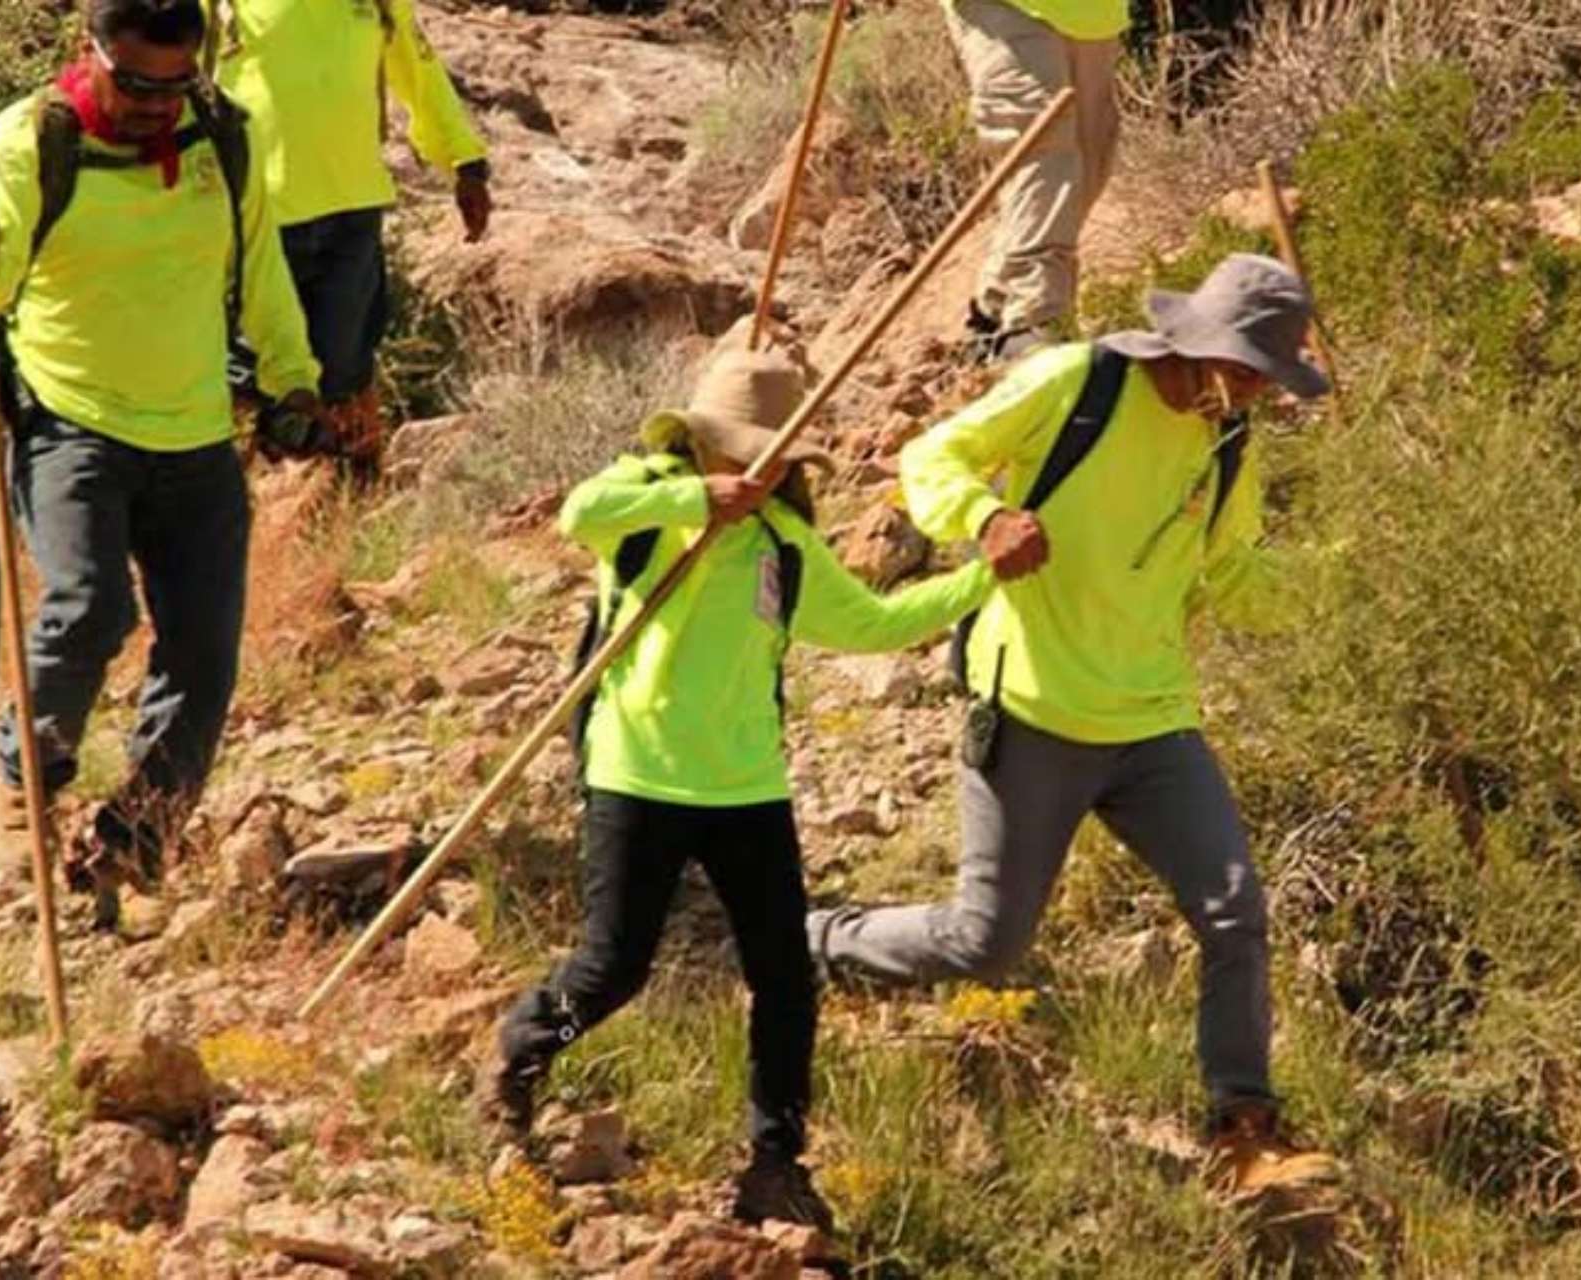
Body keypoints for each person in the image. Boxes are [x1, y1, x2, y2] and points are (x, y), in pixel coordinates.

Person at [808, 254, 1342, 1192]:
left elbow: (1232, 574)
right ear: (1207, 348)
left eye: (1269, 379)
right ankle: (816, 940)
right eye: (1254, 372)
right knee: (987, 944)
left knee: (1235, 914)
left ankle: (1244, 1128)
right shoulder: (1079, 382)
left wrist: (1346, 578)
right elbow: (932, 456)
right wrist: (985, 518)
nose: (1260, 394)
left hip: (1153, 720)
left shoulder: (1227, 441)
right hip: (1034, 709)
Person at [481, 344, 996, 1230]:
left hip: (748, 786)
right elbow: (577, 513)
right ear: (702, 440)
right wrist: (696, 500)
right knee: (613, 971)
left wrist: (986, 576)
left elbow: (875, 623)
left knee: (786, 979)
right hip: (636, 771)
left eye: (770, 458)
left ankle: (775, 1158)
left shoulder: (783, 543)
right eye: (740, 451)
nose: (756, 470)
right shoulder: (649, 493)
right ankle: (523, 1052)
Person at [0, 0, 324, 928]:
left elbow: (259, 264)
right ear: (92, 51)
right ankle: (21, 787)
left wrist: (294, 379)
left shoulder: (222, 134)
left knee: (204, 653)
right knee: (90, 607)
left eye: (175, 84)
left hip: (195, 431)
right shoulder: (28, 141)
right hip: (71, 422)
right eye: (138, 83)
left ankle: (134, 842)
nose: (157, 103)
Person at [211, 0, 491, 466]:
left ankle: (353, 498)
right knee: (239, 380)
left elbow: (420, 72)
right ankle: (213, 499)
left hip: (352, 217)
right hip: (256, 219)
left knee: (347, 378)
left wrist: (466, 162)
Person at [948, 0, 1128, 362]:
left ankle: (994, 309)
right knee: (1042, 142)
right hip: (1004, 8)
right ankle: (1035, 316)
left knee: (1089, 162)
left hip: (1093, 13)